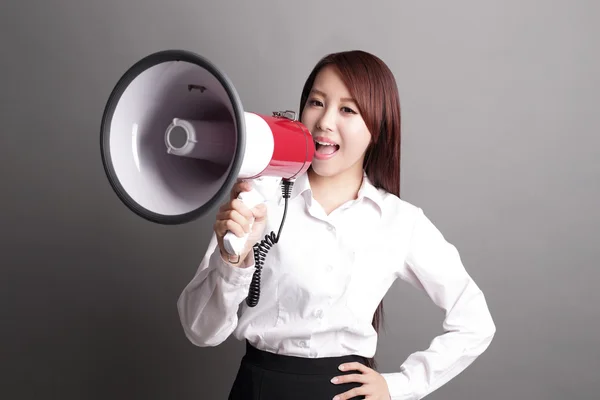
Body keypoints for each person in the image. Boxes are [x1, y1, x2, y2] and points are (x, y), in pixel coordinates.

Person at [177, 50, 496, 400]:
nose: (325, 121)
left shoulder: (399, 222)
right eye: (316, 102)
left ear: (378, 126)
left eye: (347, 109)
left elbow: (475, 322)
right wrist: (233, 259)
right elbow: (200, 331)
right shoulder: (258, 195)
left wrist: (399, 385)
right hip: (258, 388)